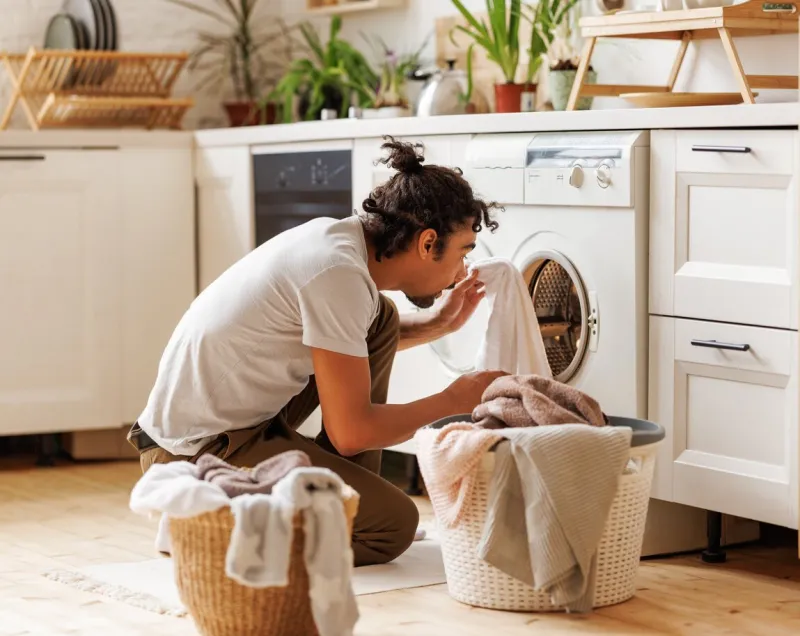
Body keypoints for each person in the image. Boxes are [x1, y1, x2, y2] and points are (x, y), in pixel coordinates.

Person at [127, 136, 505, 566]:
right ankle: (207, 526)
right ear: (426, 242)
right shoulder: (338, 274)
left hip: (234, 423)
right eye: (462, 254)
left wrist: (440, 323)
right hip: (195, 451)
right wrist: (453, 401)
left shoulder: (341, 244)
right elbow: (352, 432)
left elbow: (342, 341)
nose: (460, 273)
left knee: (379, 319)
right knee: (392, 526)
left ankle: (343, 499)